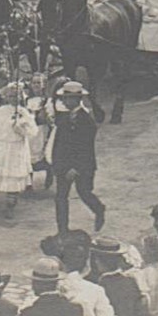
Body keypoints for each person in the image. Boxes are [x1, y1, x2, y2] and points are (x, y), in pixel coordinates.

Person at [50, 81, 105, 233]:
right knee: (60, 197)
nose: (65, 102)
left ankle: (99, 210)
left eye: (69, 99)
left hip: (82, 166)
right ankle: (63, 230)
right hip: (63, 165)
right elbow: (59, 144)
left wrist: (75, 167)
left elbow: (85, 148)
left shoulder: (86, 120)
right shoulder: (63, 117)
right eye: (64, 98)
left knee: (84, 192)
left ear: (77, 99)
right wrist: (58, 164)